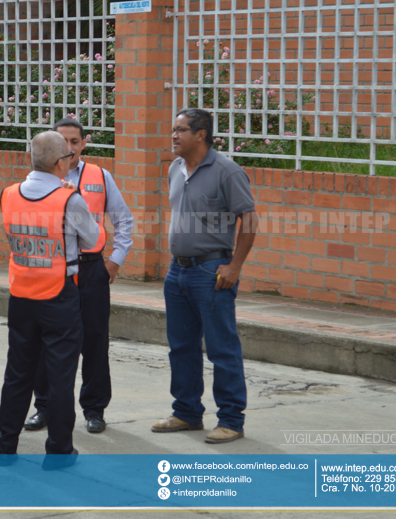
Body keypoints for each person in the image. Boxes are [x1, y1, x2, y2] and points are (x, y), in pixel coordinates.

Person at [151, 108, 259, 444]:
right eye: (173, 129)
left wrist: (234, 266)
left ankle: (230, 419)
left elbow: (250, 221)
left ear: (201, 134)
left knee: (221, 348)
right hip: (177, 271)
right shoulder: (175, 168)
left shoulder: (227, 171)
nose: (174, 136)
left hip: (212, 272)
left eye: (180, 130)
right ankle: (186, 412)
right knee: (181, 346)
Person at [24, 119, 133, 434]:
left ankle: (94, 408)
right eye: (63, 142)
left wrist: (114, 262)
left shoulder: (100, 176)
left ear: (84, 143)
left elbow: (123, 220)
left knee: (95, 340)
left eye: (74, 141)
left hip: (91, 269)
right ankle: (44, 406)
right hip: (52, 269)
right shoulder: (42, 179)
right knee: (48, 341)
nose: (69, 148)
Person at [0, 131, 99, 464]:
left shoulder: (9, 194)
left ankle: (6, 447)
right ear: (60, 163)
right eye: (68, 157)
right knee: (60, 376)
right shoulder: (70, 199)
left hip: (21, 293)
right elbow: (94, 239)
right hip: (59, 296)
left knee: (18, 373)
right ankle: (58, 451)